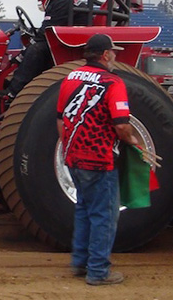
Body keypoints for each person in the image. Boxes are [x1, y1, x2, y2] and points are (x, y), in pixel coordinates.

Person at [56, 34, 139, 286]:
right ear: (105, 54)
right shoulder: (113, 82)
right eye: (113, 52)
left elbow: (60, 119)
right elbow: (121, 125)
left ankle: (80, 263)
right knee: (104, 215)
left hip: (73, 158)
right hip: (100, 160)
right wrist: (133, 142)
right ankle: (98, 271)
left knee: (84, 210)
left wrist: (70, 147)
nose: (115, 56)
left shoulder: (70, 78)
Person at [1, 0, 86, 99]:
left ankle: (14, 91)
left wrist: (22, 55)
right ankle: (12, 82)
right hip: (67, 38)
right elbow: (47, 29)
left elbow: (46, 31)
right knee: (31, 48)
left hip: (72, 43)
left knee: (36, 50)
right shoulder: (60, 0)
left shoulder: (62, 1)